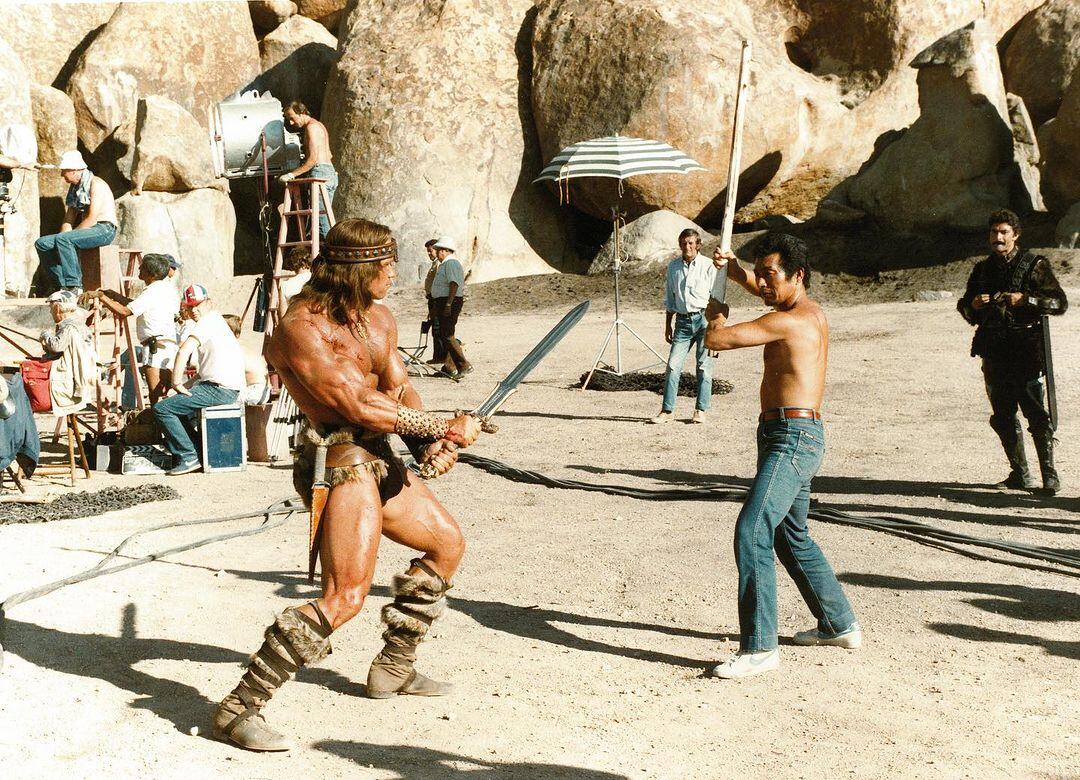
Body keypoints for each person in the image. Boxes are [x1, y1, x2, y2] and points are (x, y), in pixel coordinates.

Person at [212, 218, 482, 752]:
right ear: (359, 268)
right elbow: (352, 403)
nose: (392, 273)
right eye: (385, 265)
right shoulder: (301, 328)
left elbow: (398, 391)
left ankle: (394, 668)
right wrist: (443, 427)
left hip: (377, 453)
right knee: (344, 597)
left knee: (445, 544)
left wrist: (429, 445)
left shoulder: (377, 318)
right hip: (339, 461)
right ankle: (238, 709)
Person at [704, 233, 860, 679]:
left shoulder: (790, 322)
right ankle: (838, 623)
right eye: (760, 274)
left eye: (770, 274)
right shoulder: (802, 309)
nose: (763, 284)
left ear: (799, 275)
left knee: (753, 527)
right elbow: (764, 288)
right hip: (785, 432)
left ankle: (760, 648)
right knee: (790, 535)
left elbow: (717, 340)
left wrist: (716, 311)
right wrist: (733, 268)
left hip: (793, 438)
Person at [957, 209, 1068, 495]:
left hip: (1026, 351)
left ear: (1015, 235)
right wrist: (975, 306)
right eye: (994, 232)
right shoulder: (982, 270)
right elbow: (966, 308)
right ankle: (1020, 474)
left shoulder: (1035, 265)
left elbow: (1058, 303)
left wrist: (1026, 299)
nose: (998, 237)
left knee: (1037, 415)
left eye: (1004, 232)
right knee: (1003, 416)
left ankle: (1049, 476)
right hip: (993, 351)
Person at [153, 284, 245, 475]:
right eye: (190, 307)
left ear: (209, 303)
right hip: (222, 387)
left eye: (198, 305)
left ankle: (188, 456)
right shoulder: (215, 322)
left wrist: (176, 383)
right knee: (172, 405)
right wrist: (178, 389)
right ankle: (198, 452)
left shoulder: (208, 321)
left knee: (162, 409)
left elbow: (183, 350)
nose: (194, 310)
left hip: (220, 389)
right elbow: (203, 373)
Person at [85, 253, 179, 406]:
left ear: (152, 273)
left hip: (156, 346)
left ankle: (157, 427)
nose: (139, 269)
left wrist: (102, 297)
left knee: (157, 397)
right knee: (164, 394)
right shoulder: (166, 289)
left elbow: (125, 312)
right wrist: (114, 296)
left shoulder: (152, 291)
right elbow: (137, 305)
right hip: (167, 345)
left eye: (142, 268)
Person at [651, 228, 717, 424]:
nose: (687, 247)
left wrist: (716, 329)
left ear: (697, 244)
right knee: (672, 366)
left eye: (690, 243)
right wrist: (667, 325)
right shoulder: (673, 267)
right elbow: (670, 299)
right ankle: (667, 411)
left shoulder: (708, 266)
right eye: (683, 243)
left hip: (704, 320)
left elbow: (716, 298)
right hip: (682, 322)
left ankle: (700, 410)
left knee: (704, 367)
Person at [34, 151, 117, 295]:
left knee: (64, 239)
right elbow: (68, 219)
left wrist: (65, 239)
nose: (62, 175)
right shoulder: (75, 189)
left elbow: (91, 218)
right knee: (42, 243)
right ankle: (60, 285)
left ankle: (74, 286)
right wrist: (59, 241)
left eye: (64, 171)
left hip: (104, 229)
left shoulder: (95, 183)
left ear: (74, 171)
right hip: (90, 229)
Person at [279, 101, 336, 239]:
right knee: (323, 220)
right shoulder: (319, 125)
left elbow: (313, 160)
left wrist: (292, 174)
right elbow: (329, 155)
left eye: (292, 118)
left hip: (320, 174)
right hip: (329, 173)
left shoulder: (312, 128)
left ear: (302, 113)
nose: (291, 123)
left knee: (322, 224)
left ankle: (331, 256)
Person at [39, 290, 97, 417]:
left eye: (51, 309)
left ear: (58, 309)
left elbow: (56, 346)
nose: (50, 312)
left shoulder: (69, 327)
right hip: (82, 377)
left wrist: (45, 335)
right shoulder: (79, 325)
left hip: (69, 381)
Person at [430, 236, 471, 379]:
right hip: (443, 301)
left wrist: (448, 304)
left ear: (445, 250)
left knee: (447, 334)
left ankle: (463, 365)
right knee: (445, 333)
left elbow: (454, 284)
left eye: (438, 250)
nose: (436, 253)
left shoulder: (451, 263)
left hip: (450, 301)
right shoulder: (445, 264)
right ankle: (451, 366)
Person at [223, 313, 271, 405]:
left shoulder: (231, 348)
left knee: (213, 397)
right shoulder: (244, 346)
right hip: (263, 391)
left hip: (253, 393)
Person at [422, 238, 447, 365]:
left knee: (438, 328)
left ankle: (440, 356)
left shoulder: (439, 264)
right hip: (433, 299)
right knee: (436, 328)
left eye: (430, 251)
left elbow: (438, 284)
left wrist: (434, 304)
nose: (429, 253)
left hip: (437, 299)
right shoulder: (435, 264)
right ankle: (440, 355)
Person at [278, 245, 312, 316]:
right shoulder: (314, 279)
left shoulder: (285, 285)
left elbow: (283, 314)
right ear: (305, 262)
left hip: (294, 321)